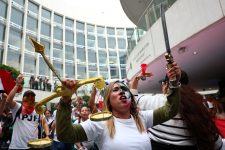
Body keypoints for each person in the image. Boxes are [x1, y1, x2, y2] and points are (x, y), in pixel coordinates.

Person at [56, 62, 181, 150]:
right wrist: (65, 100)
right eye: (115, 90)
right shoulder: (100, 122)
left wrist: (174, 82)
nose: (121, 91)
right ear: (108, 100)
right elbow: (65, 134)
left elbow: (170, 110)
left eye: (124, 89)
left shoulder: (142, 117)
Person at [131, 70, 223, 150]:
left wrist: (135, 81)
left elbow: (132, 101)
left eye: (163, 83)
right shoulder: (201, 103)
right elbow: (215, 141)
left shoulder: (153, 100)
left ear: (166, 84)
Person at [6, 74, 50, 149]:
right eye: (28, 96)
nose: (30, 98)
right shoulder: (18, 107)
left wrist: (47, 135)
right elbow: (8, 100)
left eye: (32, 96)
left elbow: (44, 122)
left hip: (33, 146)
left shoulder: (38, 111)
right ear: (23, 98)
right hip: (17, 147)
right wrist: (17, 85)